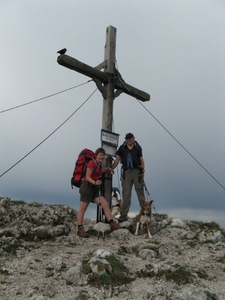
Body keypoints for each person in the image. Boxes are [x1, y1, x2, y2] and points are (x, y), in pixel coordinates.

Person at [77, 147, 122, 238]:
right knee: (83, 208)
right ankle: (80, 229)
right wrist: (95, 182)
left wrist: (107, 169)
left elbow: (99, 171)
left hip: (94, 189)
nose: (101, 157)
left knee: (104, 203)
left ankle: (112, 224)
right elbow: (88, 176)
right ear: (96, 156)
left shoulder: (98, 165)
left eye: (103, 156)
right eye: (100, 155)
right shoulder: (92, 163)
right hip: (87, 188)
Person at [111, 133, 145, 222]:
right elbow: (117, 160)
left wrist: (142, 171)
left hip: (137, 171)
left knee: (140, 192)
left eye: (130, 138)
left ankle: (145, 212)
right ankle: (123, 215)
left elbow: (142, 160)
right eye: (127, 139)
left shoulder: (138, 148)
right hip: (126, 172)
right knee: (126, 194)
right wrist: (111, 168)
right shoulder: (122, 148)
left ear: (133, 138)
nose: (129, 140)